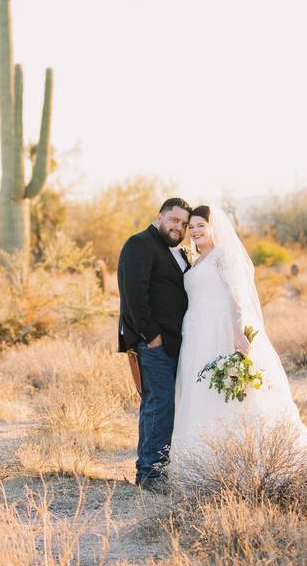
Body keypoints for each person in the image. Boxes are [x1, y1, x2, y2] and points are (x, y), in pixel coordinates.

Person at [171, 204, 307, 490]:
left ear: (213, 228)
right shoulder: (195, 260)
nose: (194, 231)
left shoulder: (223, 254)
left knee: (231, 395)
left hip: (220, 330)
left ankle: (236, 458)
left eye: (200, 226)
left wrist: (238, 333)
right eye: (191, 227)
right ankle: (203, 461)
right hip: (196, 334)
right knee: (202, 392)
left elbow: (237, 297)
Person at [117, 198, 193, 491]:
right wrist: (151, 336)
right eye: (174, 220)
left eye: (184, 224)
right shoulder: (139, 244)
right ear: (160, 216)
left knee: (165, 404)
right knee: (158, 403)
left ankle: (160, 468)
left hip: (178, 342)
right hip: (154, 343)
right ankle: (149, 473)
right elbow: (133, 294)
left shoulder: (178, 252)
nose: (178, 227)